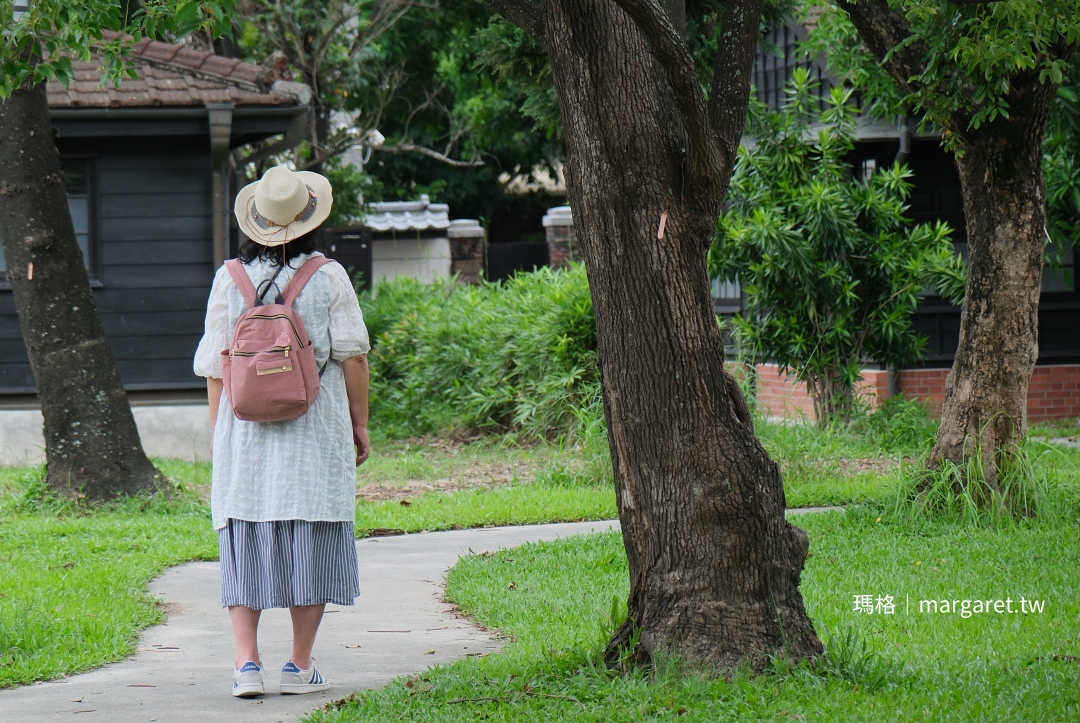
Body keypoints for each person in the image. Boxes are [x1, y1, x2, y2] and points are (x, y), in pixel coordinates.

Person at [193, 165, 370, 698]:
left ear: (256, 222)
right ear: (308, 219)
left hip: (244, 433)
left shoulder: (230, 278)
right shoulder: (329, 276)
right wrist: (360, 424)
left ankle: (246, 664)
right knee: (311, 534)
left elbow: (215, 365)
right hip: (314, 431)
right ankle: (298, 665)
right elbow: (354, 358)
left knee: (244, 534)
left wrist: (219, 434)